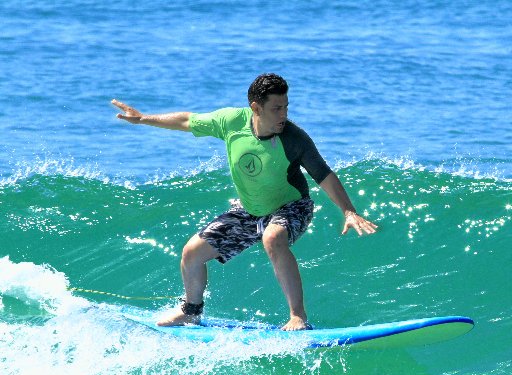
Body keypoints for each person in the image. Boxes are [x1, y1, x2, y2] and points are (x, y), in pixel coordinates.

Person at [112, 73, 377, 330]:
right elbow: (187, 120)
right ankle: (190, 312)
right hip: (250, 210)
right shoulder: (231, 121)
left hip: (292, 206)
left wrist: (349, 211)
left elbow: (323, 174)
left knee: (273, 238)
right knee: (191, 254)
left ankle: (298, 316)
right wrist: (143, 118)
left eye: (286, 107)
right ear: (256, 108)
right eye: (276, 108)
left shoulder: (294, 139)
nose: (284, 115)